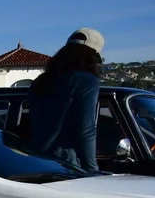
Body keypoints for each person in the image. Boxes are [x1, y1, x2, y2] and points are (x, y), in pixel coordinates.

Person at [28, 28, 104, 173]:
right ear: (92, 56)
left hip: (36, 158)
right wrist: (92, 170)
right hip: (66, 163)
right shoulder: (86, 81)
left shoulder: (41, 81)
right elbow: (86, 130)